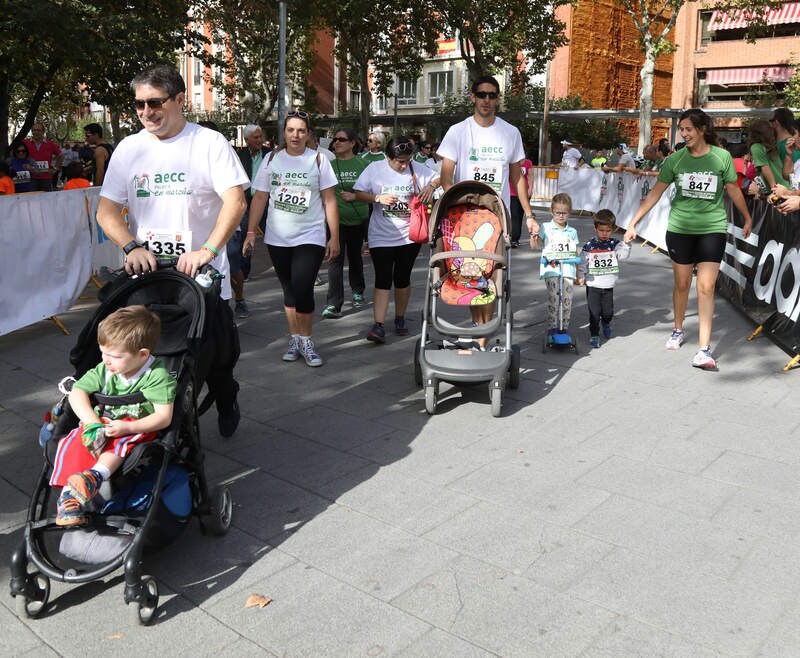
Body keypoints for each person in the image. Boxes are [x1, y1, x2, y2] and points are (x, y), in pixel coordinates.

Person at [96, 64, 248, 437]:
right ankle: (166, 428)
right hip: (150, 278)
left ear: (180, 100)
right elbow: (106, 210)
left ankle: (227, 400)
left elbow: (235, 201)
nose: (146, 112)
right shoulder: (129, 149)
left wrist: (208, 250)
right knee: (152, 359)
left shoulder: (209, 143)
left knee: (218, 362)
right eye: (139, 105)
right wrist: (130, 245)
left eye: (155, 103)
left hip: (202, 280)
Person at [624, 108, 752, 370]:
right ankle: (678, 328)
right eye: (681, 129)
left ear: (702, 129)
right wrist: (633, 221)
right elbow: (655, 194)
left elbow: (733, 190)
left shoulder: (722, 158)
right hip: (680, 230)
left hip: (712, 229)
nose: (683, 134)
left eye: (688, 129)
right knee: (682, 284)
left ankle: (704, 350)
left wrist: (747, 218)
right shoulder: (676, 160)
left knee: (705, 287)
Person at [50, 306, 177, 526]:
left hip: (136, 425)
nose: (106, 360)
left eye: (114, 356)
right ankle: (69, 496)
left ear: (142, 355)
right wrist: (92, 423)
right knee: (73, 440)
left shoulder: (156, 376)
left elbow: (163, 417)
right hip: (103, 421)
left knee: (120, 441)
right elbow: (78, 392)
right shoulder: (105, 370)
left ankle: (95, 476)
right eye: (103, 352)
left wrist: (128, 427)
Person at [437, 74, 540, 345]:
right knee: (471, 272)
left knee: (493, 273)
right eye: (481, 94)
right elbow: (447, 173)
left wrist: (529, 215)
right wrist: (450, 204)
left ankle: (481, 338)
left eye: (492, 95)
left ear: (497, 99)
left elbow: (518, 177)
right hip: (465, 215)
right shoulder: (458, 131)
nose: (486, 100)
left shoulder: (510, 132)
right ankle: (478, 329)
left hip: (498, 216)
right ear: (472, 97)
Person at [242, 110, 340, 367]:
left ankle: (307, 340)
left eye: (301, 130)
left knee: (303, 286)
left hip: (311, 235)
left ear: (308, 134)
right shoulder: (272, 158)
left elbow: (330, 200)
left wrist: (334, 237)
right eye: (291, 130)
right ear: (283, 133)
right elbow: (260, 197)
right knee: (289, 290)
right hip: (277, 237)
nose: (296, 135)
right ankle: (295, 338)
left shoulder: (319, 159)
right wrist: (251, 232)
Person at [353, 136, 438, 343]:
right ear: (388, 157)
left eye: (406, 161)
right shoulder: (375, 168)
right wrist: (377, 198)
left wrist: (431, 187)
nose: (403, 165)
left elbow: (441, 176)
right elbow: (358, 192)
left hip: (410, 235)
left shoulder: (417, 167)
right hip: (381, 235)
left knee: (402, 277)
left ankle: (400, 318)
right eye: (398, 161)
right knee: (382, 278)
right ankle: (378, 325)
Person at [322, 128, 370, 319]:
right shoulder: (328, 166)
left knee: (355, 257)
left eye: (342, 139)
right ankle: (334, 304)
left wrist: (356, 196)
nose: (337, 142)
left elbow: (373, 192)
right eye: (335, 140)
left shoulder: (364, 164)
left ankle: (358, 290)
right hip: (336, 221)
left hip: (358, 219)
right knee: (334, 260)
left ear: (352, 143)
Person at [234, 123, 271, 314]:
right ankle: (245, 271)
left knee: (273, 234)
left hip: (268, 201)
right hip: (248, 203)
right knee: (246, 238)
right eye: (255, 137)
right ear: (247, 139)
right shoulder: (239, 155)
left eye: (260, 136)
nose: (259, 140)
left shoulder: (270, 154)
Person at [579, 210, 630, 348]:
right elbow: (582, 261)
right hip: (593, 284)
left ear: (612, 230)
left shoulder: (614, 244)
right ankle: (594, 334)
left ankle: (606, 322)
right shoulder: (589, 245)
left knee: (608, 312)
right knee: (594, 312)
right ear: (595, 228)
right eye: (601, 230)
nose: (604, 233)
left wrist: (625, 244)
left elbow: (623, 255)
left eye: (608, 230)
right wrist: (581, 276)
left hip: (608, 285)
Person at [537, 193, 581, 337]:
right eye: (558, 213)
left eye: (565, 213)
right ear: (552, 211)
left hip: (568, 269)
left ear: (569, 212)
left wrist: (578, 274)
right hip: (551, 268)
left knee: (567, 301)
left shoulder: (572, 231)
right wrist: (534, 237)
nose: (561, 216)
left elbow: (575, 253)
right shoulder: (545, 227)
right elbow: (536, 245)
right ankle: (552, 328)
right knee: (554, 299)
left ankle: (564, 328)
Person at [748, 118, 790, 192]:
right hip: (784, 185)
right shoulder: (772, 146)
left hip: (777, 188)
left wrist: (774, 189)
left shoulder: (756, 147)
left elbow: (765, 168)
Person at [24, 122, 63, 191]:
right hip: (30, 177)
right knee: (32, 200)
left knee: (47, 200)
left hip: (46, 178)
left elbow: (61, 156)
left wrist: (55, 168)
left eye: (39, 130)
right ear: (32, 131)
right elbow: (17, 155)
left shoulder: (50, 144)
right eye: (34, 130)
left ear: (43, 132)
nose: (36, 132)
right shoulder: (25, 143)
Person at [508, 150, 533, 247]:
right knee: (513, 216)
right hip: (511, 192)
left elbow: (530, 176)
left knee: (519, 216)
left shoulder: (528, 163)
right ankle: (513, 238)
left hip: (523, 193)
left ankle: (516, 238)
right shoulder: (511, 163)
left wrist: (530, 189)